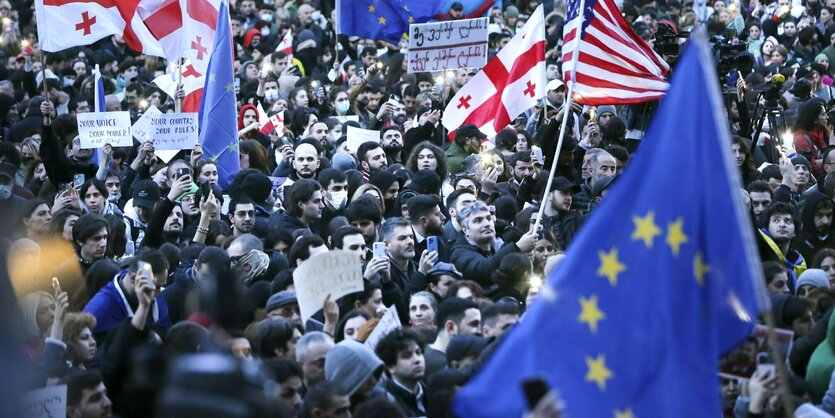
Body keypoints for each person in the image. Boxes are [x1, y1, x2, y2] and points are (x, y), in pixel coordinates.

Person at [83, 250, 171, 339]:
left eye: (161, 286)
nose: (159, 293)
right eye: (156, 287)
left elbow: (165, 333)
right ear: (133, 278)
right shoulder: (101, 308)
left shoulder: (156, 297)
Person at [450, 201, 537, 287]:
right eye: (478, 221)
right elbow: (483, 271)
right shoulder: (459, 254)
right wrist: (517, 248)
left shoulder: (500, 245)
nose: (487, 224)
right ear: (465, 230)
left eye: (488, 218)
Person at [375, 328, 427, 417]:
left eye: (418, 352)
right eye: (407, 356)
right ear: (390, 367)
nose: (417, 360)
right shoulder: (385, 404)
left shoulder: (433, 391)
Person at [424, 297, 481, 378]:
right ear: (450, 327)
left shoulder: (428, 355)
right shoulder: (443, 366)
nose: (480, 331)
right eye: (474, 324)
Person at [757, 202, 807, 292]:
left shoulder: (800, 263)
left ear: (795, 232)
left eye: (788, 221)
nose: (782, 225)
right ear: (767, 228)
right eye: (776, 220)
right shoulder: (760, 254)